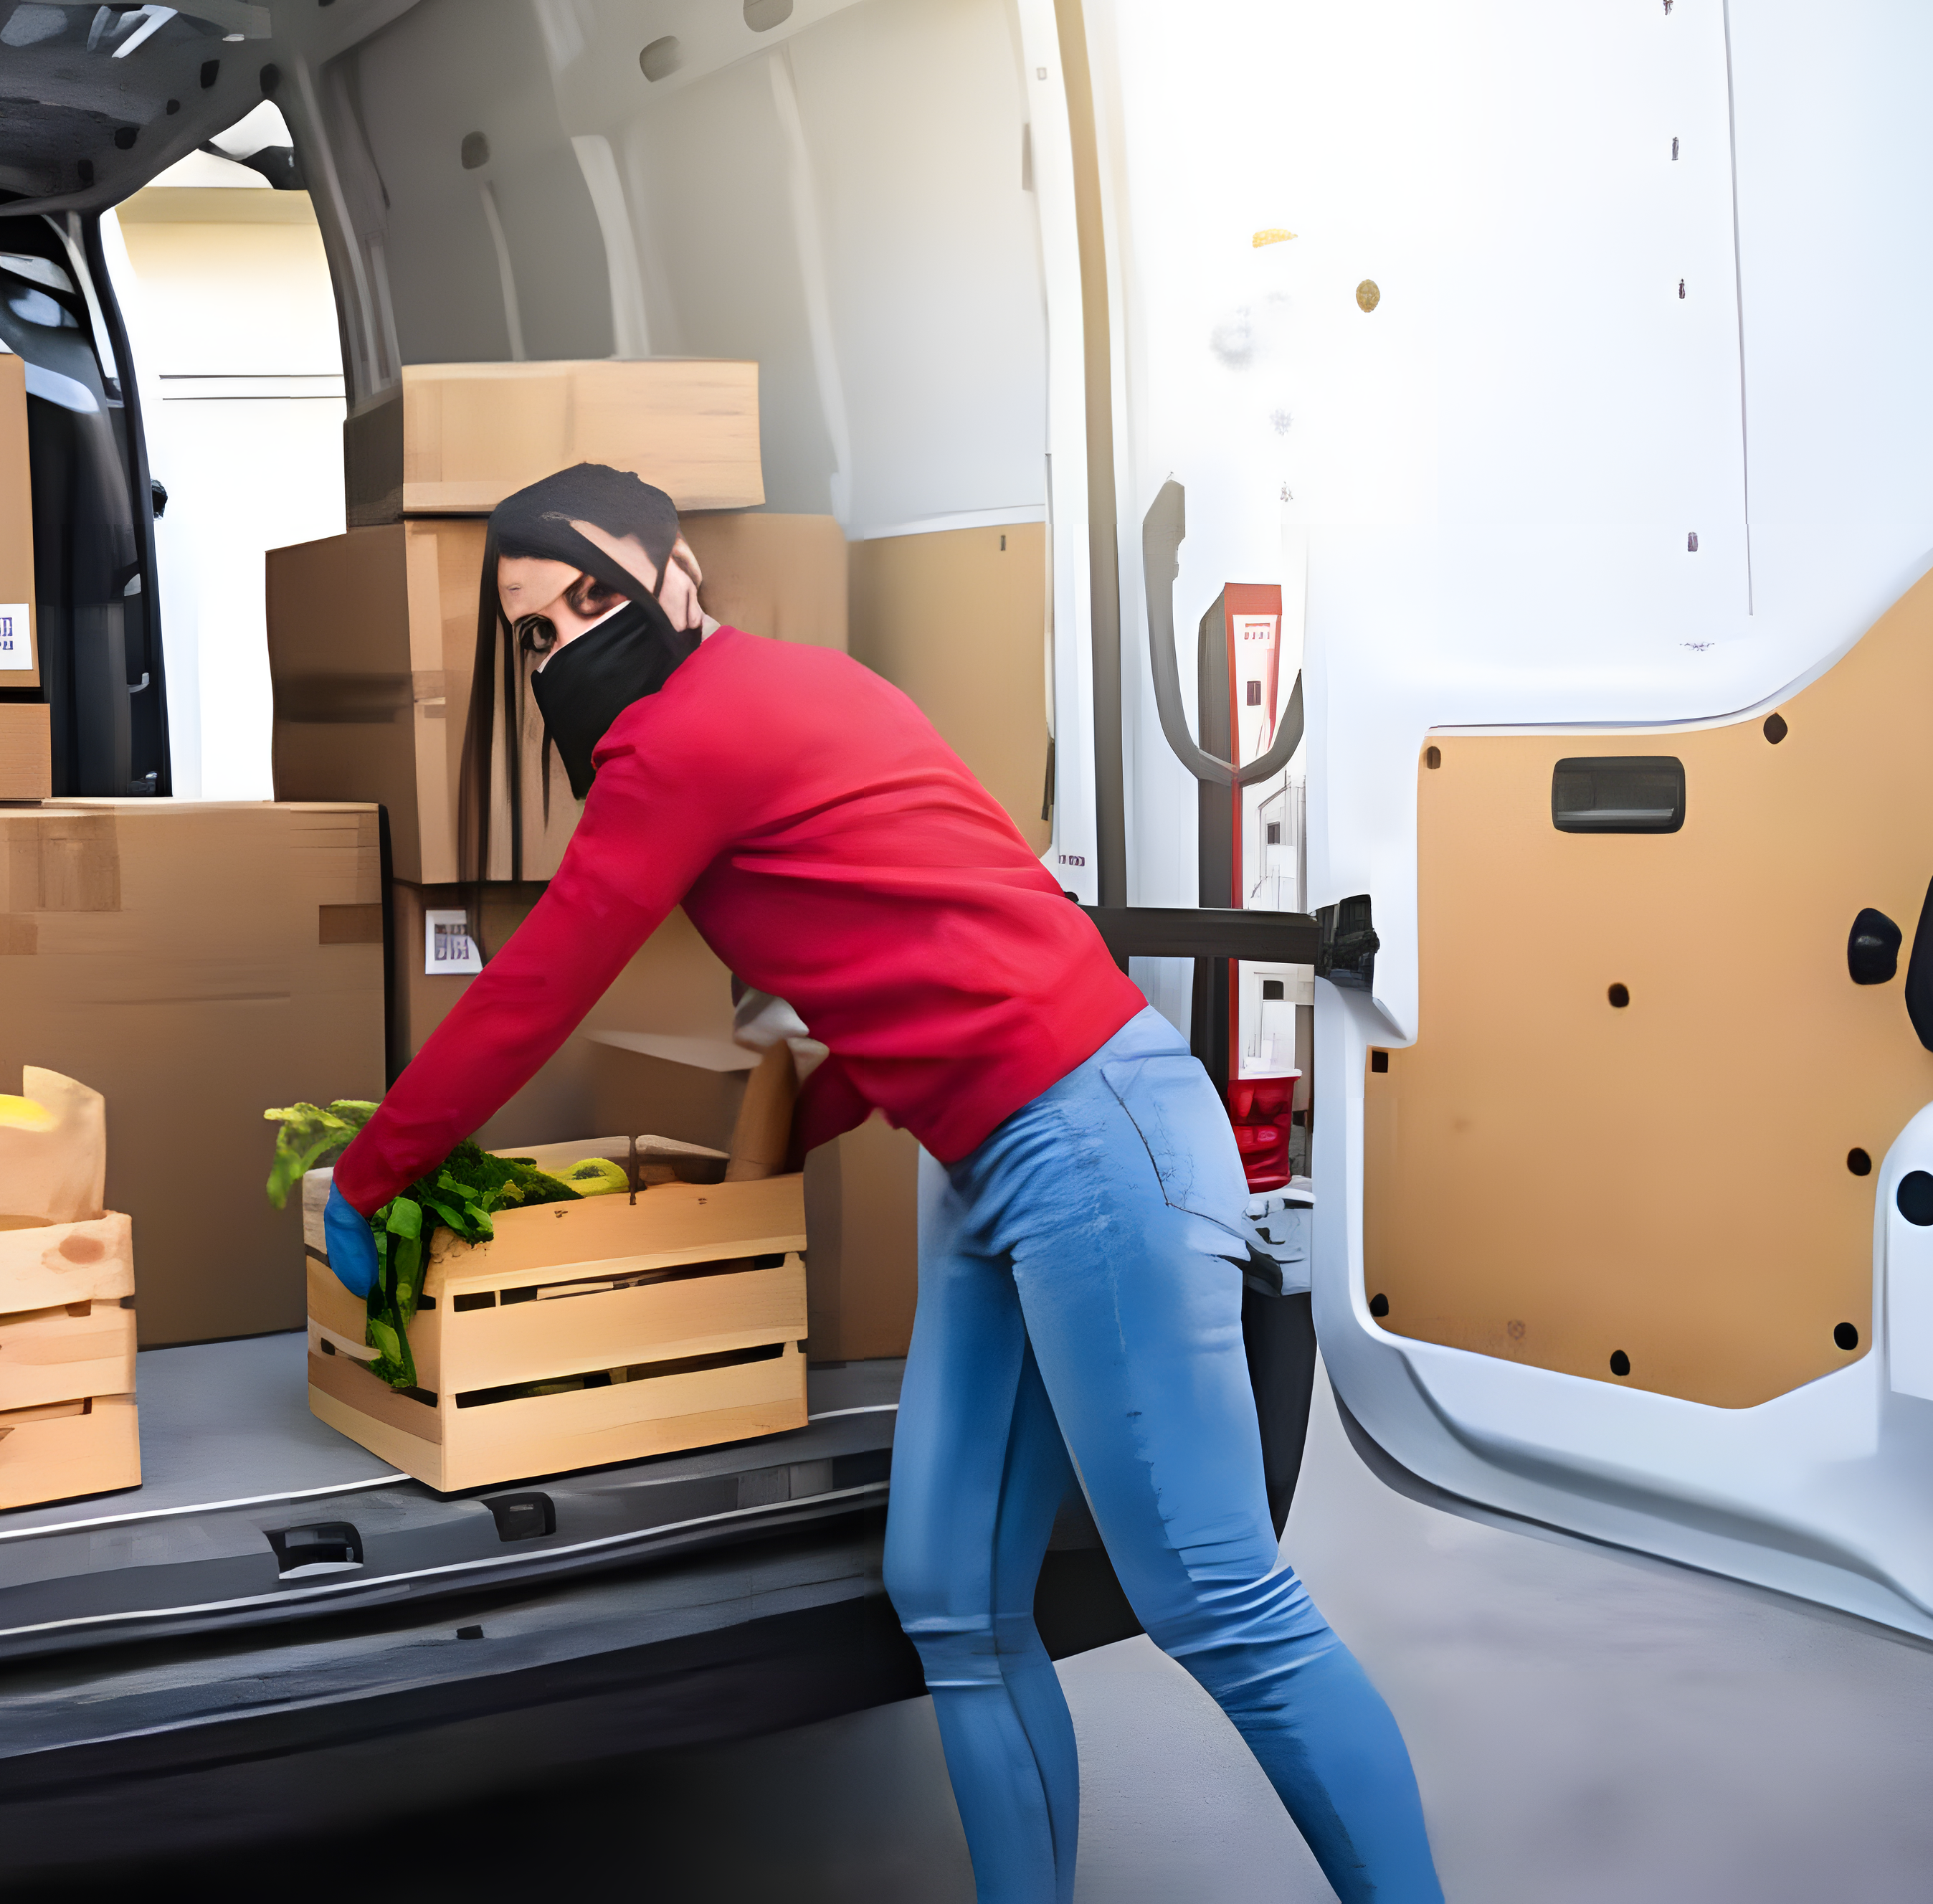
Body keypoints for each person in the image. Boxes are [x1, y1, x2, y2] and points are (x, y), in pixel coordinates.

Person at [320, 464, 1444, 1904]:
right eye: (536, 636)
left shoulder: (680, 739)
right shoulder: (796, 690)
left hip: (1087, 1138)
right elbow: (934, 934)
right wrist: (815, 1115)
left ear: (672, 578)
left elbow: (536, 982)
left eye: (582, 602)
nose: (565, 648)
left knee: (1217, 1602)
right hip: (989, 1157)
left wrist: (375, 1168)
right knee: (951, 1598)